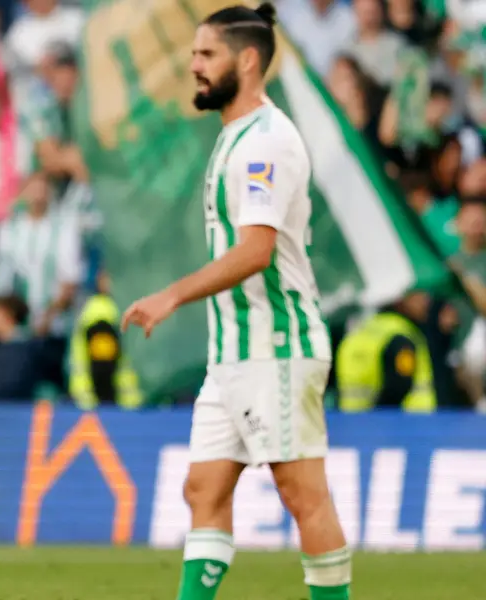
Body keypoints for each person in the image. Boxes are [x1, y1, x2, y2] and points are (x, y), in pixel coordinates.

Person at [121, 5, 350, 600]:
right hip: (232, 354)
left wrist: (173, 294)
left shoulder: (265, 143)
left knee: (303, 496)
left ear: (247, 60)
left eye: (206, 55)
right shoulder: (236, 135)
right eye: (194, 54)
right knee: (202, 489)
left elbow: (256, 251)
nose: (193, 66)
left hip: (277, 346)